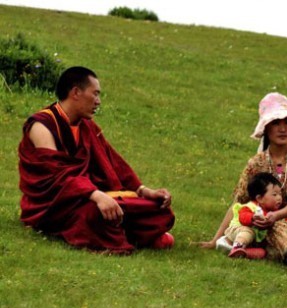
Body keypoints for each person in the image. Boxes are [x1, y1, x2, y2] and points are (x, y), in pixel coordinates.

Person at [18, 66, 175, 254]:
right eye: (95, 94)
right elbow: (56, 173)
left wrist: (143, 191)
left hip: (87, 195)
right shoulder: (42, 125)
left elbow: (115, 163)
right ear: (76, 92)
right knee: (96, 212)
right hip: (55, 205)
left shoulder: (87, 127)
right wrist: (95, 194)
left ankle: (122, 231)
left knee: (157, 209)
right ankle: (128, 234)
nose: (98, 102)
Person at [199, 92, 287, 271]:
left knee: (273, 229)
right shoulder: (255, 164)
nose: (283, 129)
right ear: (266, 128)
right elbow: (238, 204)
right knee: (262, 231)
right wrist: (214, 240)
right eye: (276, 123)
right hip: (268, 227)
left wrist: (274, 217)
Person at [222, 172, 283, 259]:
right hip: (237, 231)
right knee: (248, 232)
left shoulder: (275, 212)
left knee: (262, 252)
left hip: (252, 240)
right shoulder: (250, 207)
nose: (279, 198)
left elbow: (283, 221)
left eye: (280, 194)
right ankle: (237, 246)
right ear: (260, 198)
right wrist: (252, 218)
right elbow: (242, 217)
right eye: (274, 194)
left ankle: (241, 253)